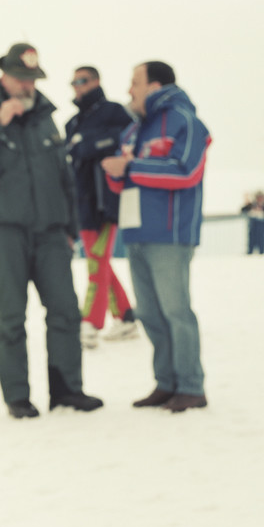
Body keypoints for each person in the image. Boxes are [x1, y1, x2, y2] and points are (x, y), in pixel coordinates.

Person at [0, 42, 103, 418]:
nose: (26, 85)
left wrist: (70, 228)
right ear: (3, 76)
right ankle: (17, 397)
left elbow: (64, 177)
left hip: (51, 232)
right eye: (20, 78)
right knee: (12, 316)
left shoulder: (46, 118)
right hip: (3, 232)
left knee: (65, 311)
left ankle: (67, 390)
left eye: (31, 79)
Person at [102, 60, 212, 412]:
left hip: (170, 234)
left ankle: (191, 387)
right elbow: (122, 183)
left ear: (155, 86)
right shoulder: (133, 131)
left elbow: (186, 172)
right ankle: (166, 383)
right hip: (136, 233)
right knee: (149, 313)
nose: (129, 90)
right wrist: (115, 172)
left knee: (176, 311)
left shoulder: (186, 122)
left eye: (135, 82)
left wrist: (131, 166)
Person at [65, 66, 137, 348]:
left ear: (95, 81)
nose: (77, 86)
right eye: (73, 82)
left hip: (106, 201)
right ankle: (126, 317)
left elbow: (126, 140)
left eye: (82, 80)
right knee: (100, 262)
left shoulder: (115, 112)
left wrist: (87, 144)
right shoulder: (73, 122)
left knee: (96, 262)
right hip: (81, 203)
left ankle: (89, 324)